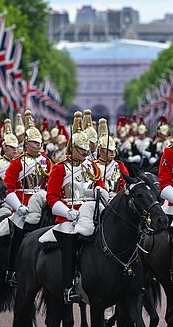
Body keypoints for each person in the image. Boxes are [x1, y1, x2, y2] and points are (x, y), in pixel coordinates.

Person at [46, 111, 107, 304]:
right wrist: (67, 212)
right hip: (68, 216)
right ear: (72, 148)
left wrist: (101, 193)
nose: (85, 152)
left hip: (89, 213)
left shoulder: (92, 166)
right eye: (81, 149)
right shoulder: (60, 168)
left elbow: (101, 185)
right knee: (70, 243)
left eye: (86, 149)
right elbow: (52, 198)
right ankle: (68, 287)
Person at [2, 111, 52, 286]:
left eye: (39, 142)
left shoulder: (46, 161)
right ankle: (12, 270)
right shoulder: (17, 162)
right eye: (34, 142)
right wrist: (18, 205)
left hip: (43, 202)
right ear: (26, 143)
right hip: (23, 205)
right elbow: (8, 187)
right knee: (18, 232)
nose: (38, 145)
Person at [95, 118, 129, 197]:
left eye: (113, 150)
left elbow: (125, 185)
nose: (112, 152)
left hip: (117, 200)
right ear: (101, 151)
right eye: (109, 150)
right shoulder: (93, 166)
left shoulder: (120, 166)